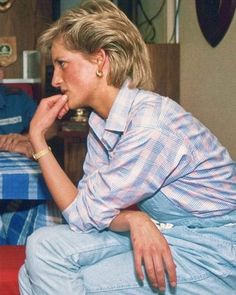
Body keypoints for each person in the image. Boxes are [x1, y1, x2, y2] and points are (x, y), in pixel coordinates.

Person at [18, 0, 236, 294]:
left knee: (57, 278)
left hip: (214, 250)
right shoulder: (101, 122)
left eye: (62, 63)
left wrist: (38, 139)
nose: (56, 80)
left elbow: (82, 214)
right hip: (169, 231)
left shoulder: (149, 125)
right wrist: (135, 218)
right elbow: (89, 207)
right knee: (38, 252)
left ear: (99, 60)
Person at [0, 67, 64, 245]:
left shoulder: (17, 99)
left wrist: (28, 138)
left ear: (1, 73)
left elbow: (51, 127)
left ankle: (35, 250)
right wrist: (7, 143)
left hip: (18, 193)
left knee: (42, 192)